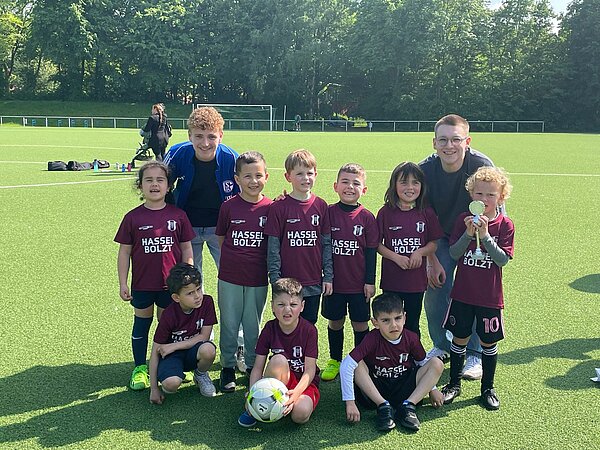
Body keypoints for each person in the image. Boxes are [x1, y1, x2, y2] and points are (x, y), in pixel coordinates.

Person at [164, 107, 246, 371]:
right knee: (190, 288)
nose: (205, 143)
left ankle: (240, 347)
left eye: (211, 136)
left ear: (221, 135)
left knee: (234, 287)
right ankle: (197, 343)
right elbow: (162, 186)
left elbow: (247, 191)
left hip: (221, 231)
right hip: (186, 231)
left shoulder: (232, 158)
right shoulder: (177, 153)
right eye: (199, 136)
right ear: (189, 135)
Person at [419, 114, 496, 379]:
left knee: (474, 292)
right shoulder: (425, 170)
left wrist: (488, 243)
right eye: (443, 140)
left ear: (468, 141)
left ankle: (473, 352)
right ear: (434, 143)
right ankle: (442, 345)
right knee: (435, 288)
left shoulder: (481, 166)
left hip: (474, 235)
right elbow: (421, 218)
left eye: (455, 139)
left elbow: (496, 211)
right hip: (440, 237)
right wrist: (431, 259)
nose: (449, 146)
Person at [114, 161, 195, 391]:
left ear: (169, 186)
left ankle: (170, 365)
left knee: (168, 325)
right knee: (142, 323)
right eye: (148, 180)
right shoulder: (133, 218)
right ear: (140, 186)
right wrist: (123, 282)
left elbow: (187, 248)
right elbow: (125, 252)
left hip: (170, 287)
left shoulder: (178, 215)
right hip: (142, 284)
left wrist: (187, 275)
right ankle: (140, 368)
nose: (154, 184)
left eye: (160, 180)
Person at [441, 167, 514, 411]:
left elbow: (502, 260)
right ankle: (453, 384)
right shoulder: (463, 219)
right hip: (462, 294)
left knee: (487, 341)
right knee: (459, 338)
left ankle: (488, 387)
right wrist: (468, 234)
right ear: (471, 195)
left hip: (489, 297)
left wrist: (485, 235)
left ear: (501, 197)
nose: (484, 199)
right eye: (479, 193)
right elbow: (454, 253)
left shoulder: (505, 225)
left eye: (491, 195)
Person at [340, 293, 444, 432]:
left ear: (404, 317)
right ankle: (383, 407)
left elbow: (422, 363)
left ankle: (408, 407)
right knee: (357, 363)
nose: (393, 325)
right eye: (386, 320)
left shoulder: (411, 338)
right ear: (375, 322)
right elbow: (346, 364)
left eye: (397, 318)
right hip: (377, 391)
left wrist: (433, 389)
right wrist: (350, 403)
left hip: (404, 389)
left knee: (436, 363)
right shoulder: (371, 339)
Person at [215, 151, 273, 392]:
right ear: (237, 179)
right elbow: (220, 237)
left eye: (258, 175)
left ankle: (252, 366)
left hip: (258, 278)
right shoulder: (229, 207)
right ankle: (227, 366)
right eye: (247, 176)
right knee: (229, 323)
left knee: (252, 324)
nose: (253, 181)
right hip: (229, 277)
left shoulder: (271, 207)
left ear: (266, 177)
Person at [321, 163, 379, 382]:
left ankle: (359, 362)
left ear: (363, 190)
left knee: (360, 324)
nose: (350, 187)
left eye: (356, 183)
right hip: (333, 284)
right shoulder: (327, 213)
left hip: (358, 285)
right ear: (335, 186)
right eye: (345, 182)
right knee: (335, 322)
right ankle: (335, 359)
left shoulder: (367, 217)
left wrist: (370, 281)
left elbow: (372, 251)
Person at [238, 278, 321, 427]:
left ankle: (280, 406)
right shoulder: (269, 328)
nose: (287, 310)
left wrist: (295, 394)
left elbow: (310, 370)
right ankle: (257, 408)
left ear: (302, 306)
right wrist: (252, 393)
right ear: (272, 307)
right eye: (281, 305)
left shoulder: (309, 330)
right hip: (280, 378)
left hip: (304, 382)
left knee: (300, 415)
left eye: (293, 305)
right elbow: (258, 367)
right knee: (278, 360)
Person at [264, 149, 333, 325]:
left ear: (316, 174)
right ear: (288, 177)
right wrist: (275, 280)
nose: (305, 178)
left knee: (309, 325)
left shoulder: (321, 205)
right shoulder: (278, 207)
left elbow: (326, 244)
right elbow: (273, 247)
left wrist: (328, 277)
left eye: (309, 173)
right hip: (286, 283)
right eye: (299, 174)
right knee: (286, 324)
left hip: (313, 283)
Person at [376, 162, 444, 338]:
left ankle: (412, 360)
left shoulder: (426, 212)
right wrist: (396, 257)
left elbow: (433, 243)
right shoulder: (385, 212)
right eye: (404, 182)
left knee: (411, 323)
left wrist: (420, 252)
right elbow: (377, 244)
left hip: (415, 283)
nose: (410, 187)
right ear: (394, 185)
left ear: (422, 186)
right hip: (392, 281)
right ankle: (390, 360)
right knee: (391, 323)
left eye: (415, 182)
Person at [149, 263, 218, 403]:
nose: (197, 296)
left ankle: (200, 375)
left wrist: (174, 345)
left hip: (190, 350)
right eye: (190, 293)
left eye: (198, 289)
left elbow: (204, 336)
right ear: (176, 298)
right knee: (171, 385)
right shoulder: (169, 315)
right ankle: (172, 374)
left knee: (209, 349)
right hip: (172, 356)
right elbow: (155, 351)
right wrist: (154, 389)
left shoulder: (207, 302)